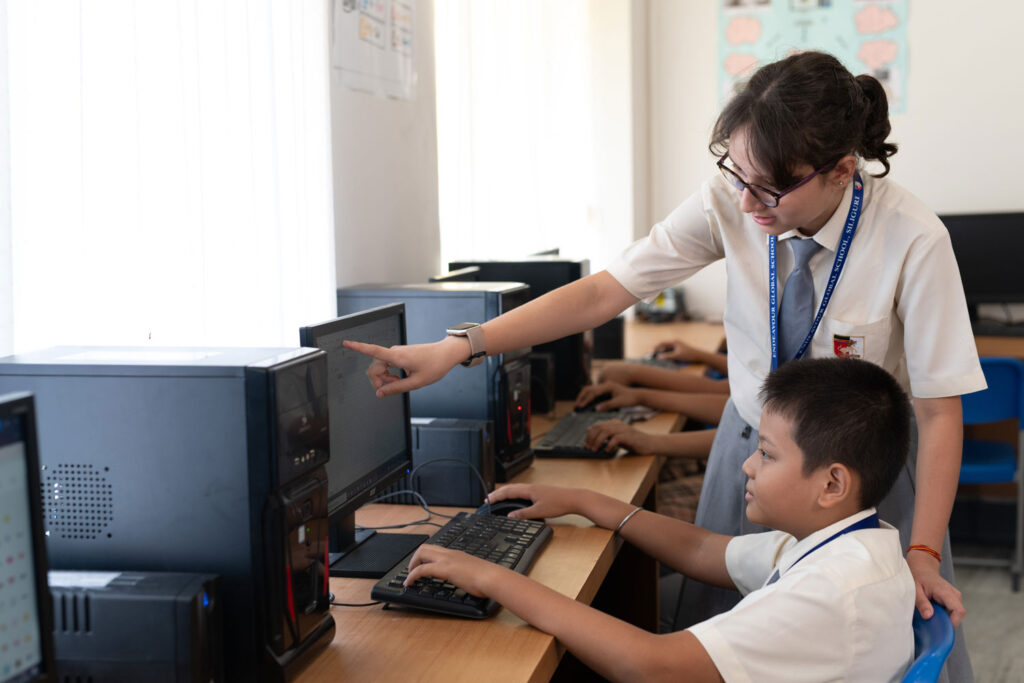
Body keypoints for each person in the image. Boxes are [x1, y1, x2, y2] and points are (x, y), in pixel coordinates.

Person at [346, 50, 984, 681]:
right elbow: (605, 292)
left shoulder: (911, 238)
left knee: (876, 622)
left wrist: (924, 550)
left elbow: (938, 413)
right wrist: (461, 346)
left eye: (771, 187)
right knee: (723, 633)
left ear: (842, 170)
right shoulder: (731, 198)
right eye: (736, 172)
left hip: (861, 472)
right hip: (752, 444)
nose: (747, 203)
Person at [402, 358, 921, 682]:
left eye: (766, 454)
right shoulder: (850, 542)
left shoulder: (828, 592)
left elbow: (648, 666)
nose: (747, 465)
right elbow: (703, 550)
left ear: (831, 484)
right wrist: (585, 501)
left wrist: (492, 576)